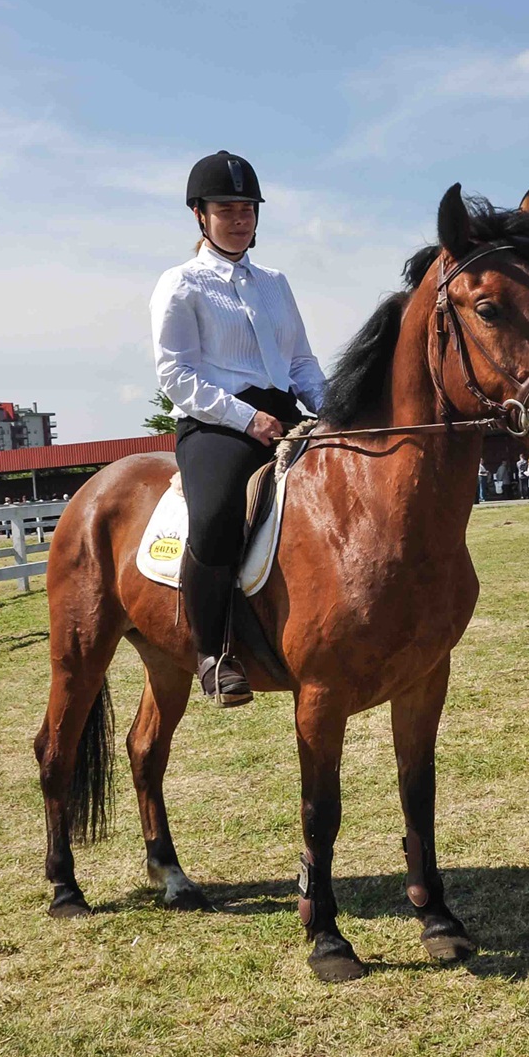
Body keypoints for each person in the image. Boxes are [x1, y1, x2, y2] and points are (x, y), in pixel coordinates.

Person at [152, 150, 327, 704]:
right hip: (215, 422)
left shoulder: (275, 282)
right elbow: (173, 374)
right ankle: (212, 650)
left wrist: (332, 408)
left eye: (248, 207)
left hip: (287, 415)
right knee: (218, 512)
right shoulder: (181, 284)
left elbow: (300, 362)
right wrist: (245, 417)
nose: (239, 218)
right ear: (199, 215)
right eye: (225, 208)